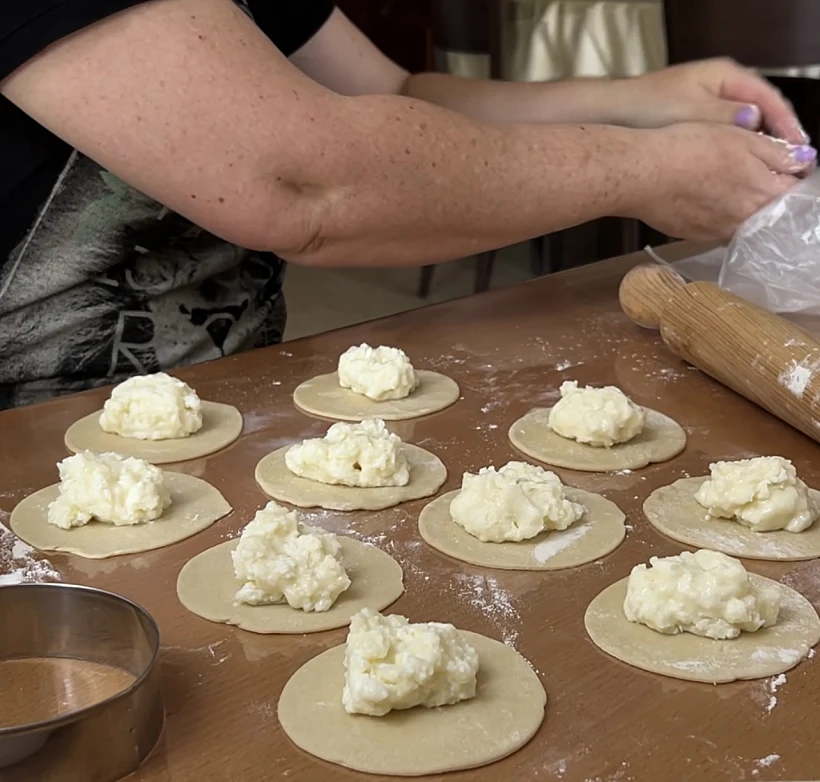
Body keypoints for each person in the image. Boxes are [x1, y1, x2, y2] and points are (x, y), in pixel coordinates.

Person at [0, 1, 815, 409]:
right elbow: (310, 182)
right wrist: (642, 169)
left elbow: (394, 94)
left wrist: (639, 102)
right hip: (41, 453)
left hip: (237, 404)